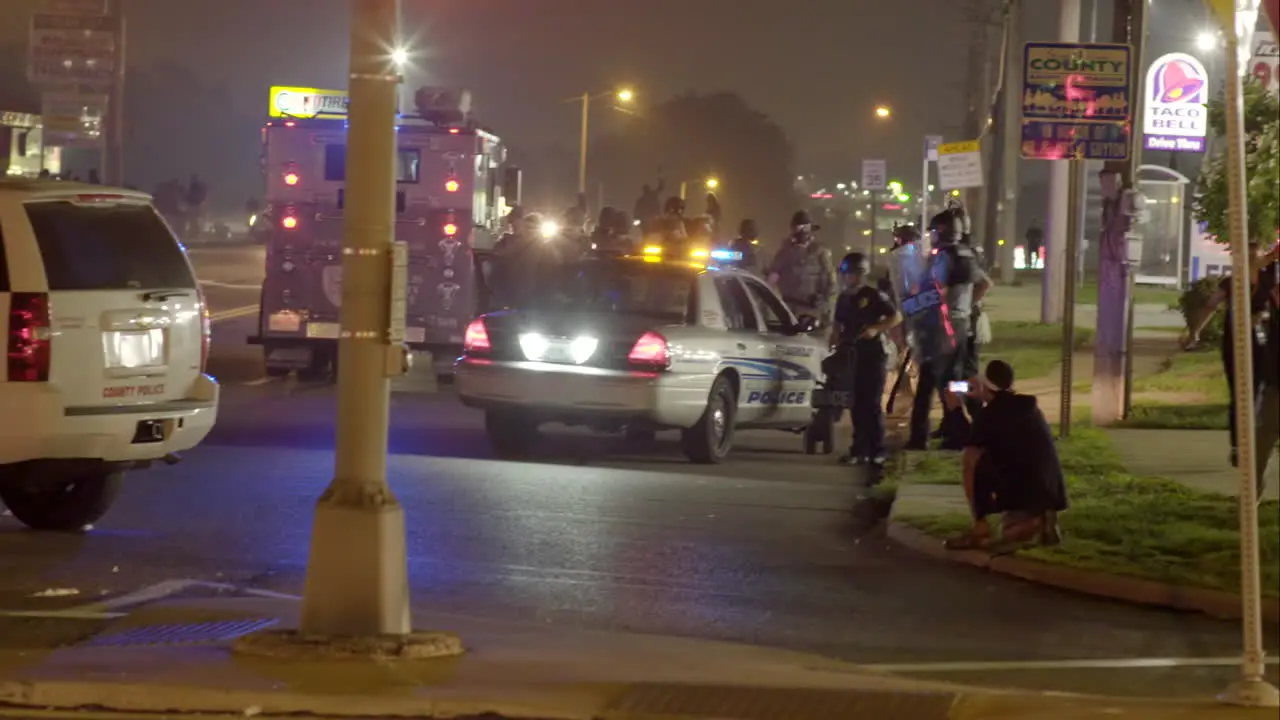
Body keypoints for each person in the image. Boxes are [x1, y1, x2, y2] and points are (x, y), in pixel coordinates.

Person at [943, 360, 1068, 550]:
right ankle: (1041, 516)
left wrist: (956, 410)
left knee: (971, 460)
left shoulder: (990, 415)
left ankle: (981, 527)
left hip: (1022, 489)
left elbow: (967, 442)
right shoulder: (1028, 407)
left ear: (984, 385)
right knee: (1010, 528)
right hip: (1048, 490)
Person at [1185, 242, 1279, 484]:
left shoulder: (1270, 281)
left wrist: (1261, 317)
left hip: (1262, 345)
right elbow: (1211, 305)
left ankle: (1254, 441)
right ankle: (1239, 445)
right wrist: (1195, 331)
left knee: (1260, 390)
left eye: (1254, 256)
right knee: (1239, 394)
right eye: (1245, 257)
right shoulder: (1232, 282)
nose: (1251, 260)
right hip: (1235, 345)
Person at [907, 205, 992, 450]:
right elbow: (984, 284)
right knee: (954, 379)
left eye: (933, 230)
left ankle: (930, 436)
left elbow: (934, 291)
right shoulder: (965, 253)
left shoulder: (944, 257)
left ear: (941, 231)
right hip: (961, 324)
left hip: (943, 326)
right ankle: (967, 427)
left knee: (930, 383)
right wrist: (964, 307)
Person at [828, 252, 902, 466]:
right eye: (847, 274)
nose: (850, 278)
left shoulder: (874, 295)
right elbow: (837, 323)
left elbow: (895, 316)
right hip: (852, 354)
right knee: (857, 404)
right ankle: (858, 449)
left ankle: (877, 450)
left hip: (873, 354)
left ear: (863, 274)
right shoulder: (844, 298)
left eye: (854, 274)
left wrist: (875, 329)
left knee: (872, 403)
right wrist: (834, 340)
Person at [766, 210, 837, 326]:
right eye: (799, 228)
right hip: (790, 310)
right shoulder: (785, 253)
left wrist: (826, 306)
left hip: (813, 311)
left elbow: (831, 283)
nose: (802, 232)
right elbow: (772, 280)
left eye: (805, 228)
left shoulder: (821, 253)